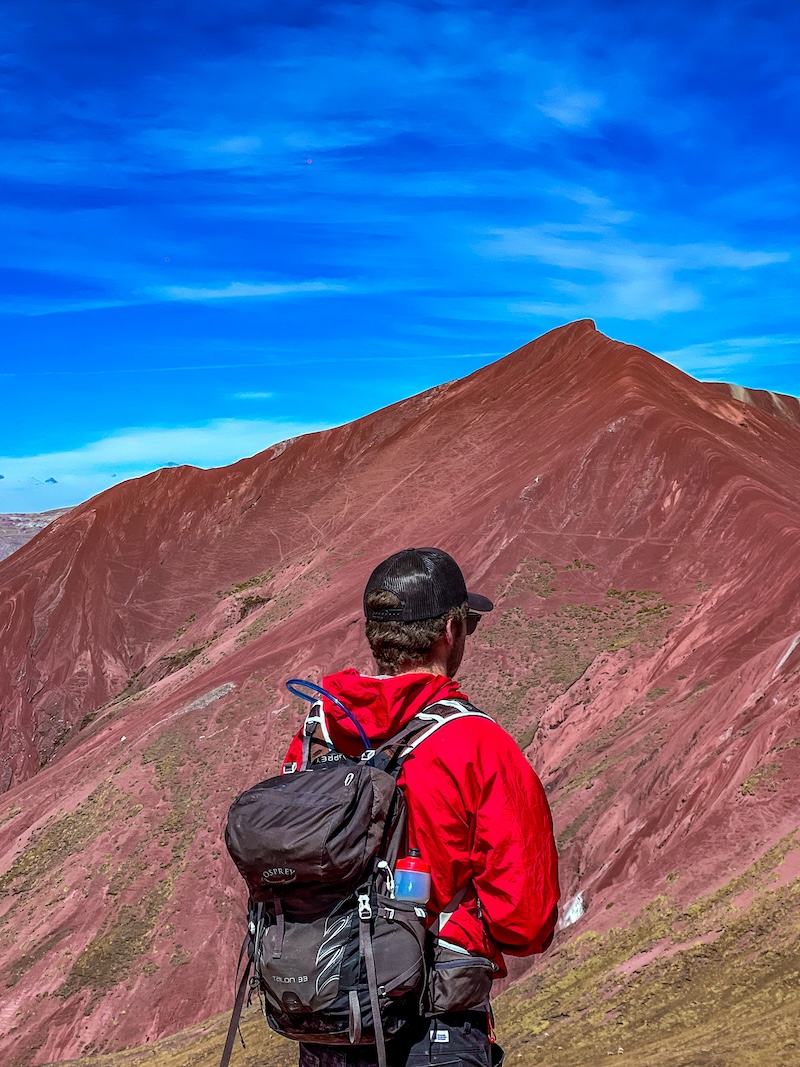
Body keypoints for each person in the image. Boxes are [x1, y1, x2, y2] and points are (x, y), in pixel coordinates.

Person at [283, 547, 560, 1067]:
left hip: (328, 1024)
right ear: (450, 631)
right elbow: (526, 922)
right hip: (431, 1032)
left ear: (377, 636)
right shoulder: (477, 745)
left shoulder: (319, 734)